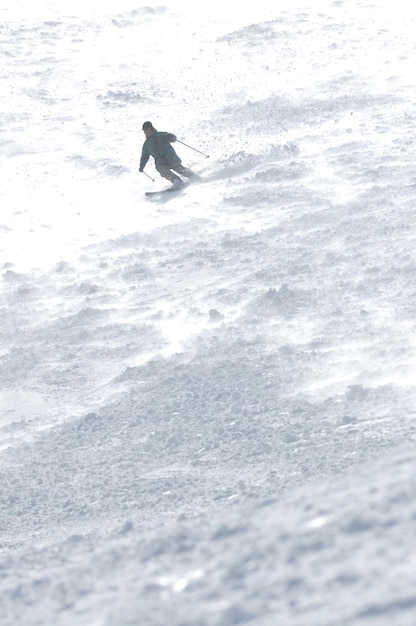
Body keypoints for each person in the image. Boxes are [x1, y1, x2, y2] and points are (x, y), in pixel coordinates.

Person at [139, 121, 198, 188]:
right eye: (144, 130)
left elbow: (173, 139)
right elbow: (144, 156)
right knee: (163, 171)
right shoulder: (147, 144)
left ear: (150, 128)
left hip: (171, 158)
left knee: (178, 168)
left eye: (146, 129)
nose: (145, 132)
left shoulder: (161, 135)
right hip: (160, 162)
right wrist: (142, 166)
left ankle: (192, 175)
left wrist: (171, 136)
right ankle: (177, 181)